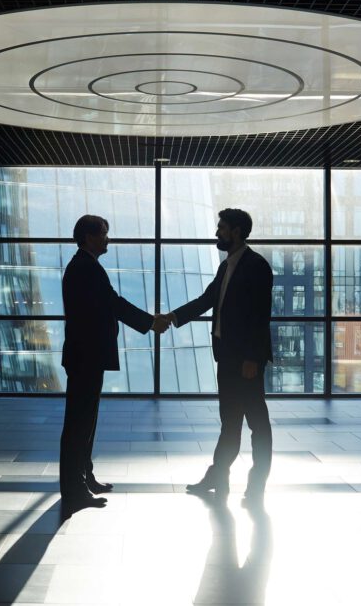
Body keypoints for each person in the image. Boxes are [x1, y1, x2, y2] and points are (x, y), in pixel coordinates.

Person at [157, 208, 273, 504]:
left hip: (246, 361)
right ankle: (217, 475)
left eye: (221, 228)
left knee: (257, 423)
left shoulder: (256, 265)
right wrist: (173, 317)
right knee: (230, 422)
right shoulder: (227, 266)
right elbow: (208, 300)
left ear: (236, 231)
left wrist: (251, 358)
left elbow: (260, 316)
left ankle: (256, 484)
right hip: (227, 357)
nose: (217, 233)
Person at [60, 214, 169, 511]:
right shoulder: (86, 268)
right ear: (90, 236)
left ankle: (84, 478)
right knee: (79, 424)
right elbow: (113, 303)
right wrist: (149, 322)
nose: (109, 238)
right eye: (105, 233)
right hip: (86, 356)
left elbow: (109, 304)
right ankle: (74, 489)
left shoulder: (84, 266)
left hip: (85, 356)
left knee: (85, 422)